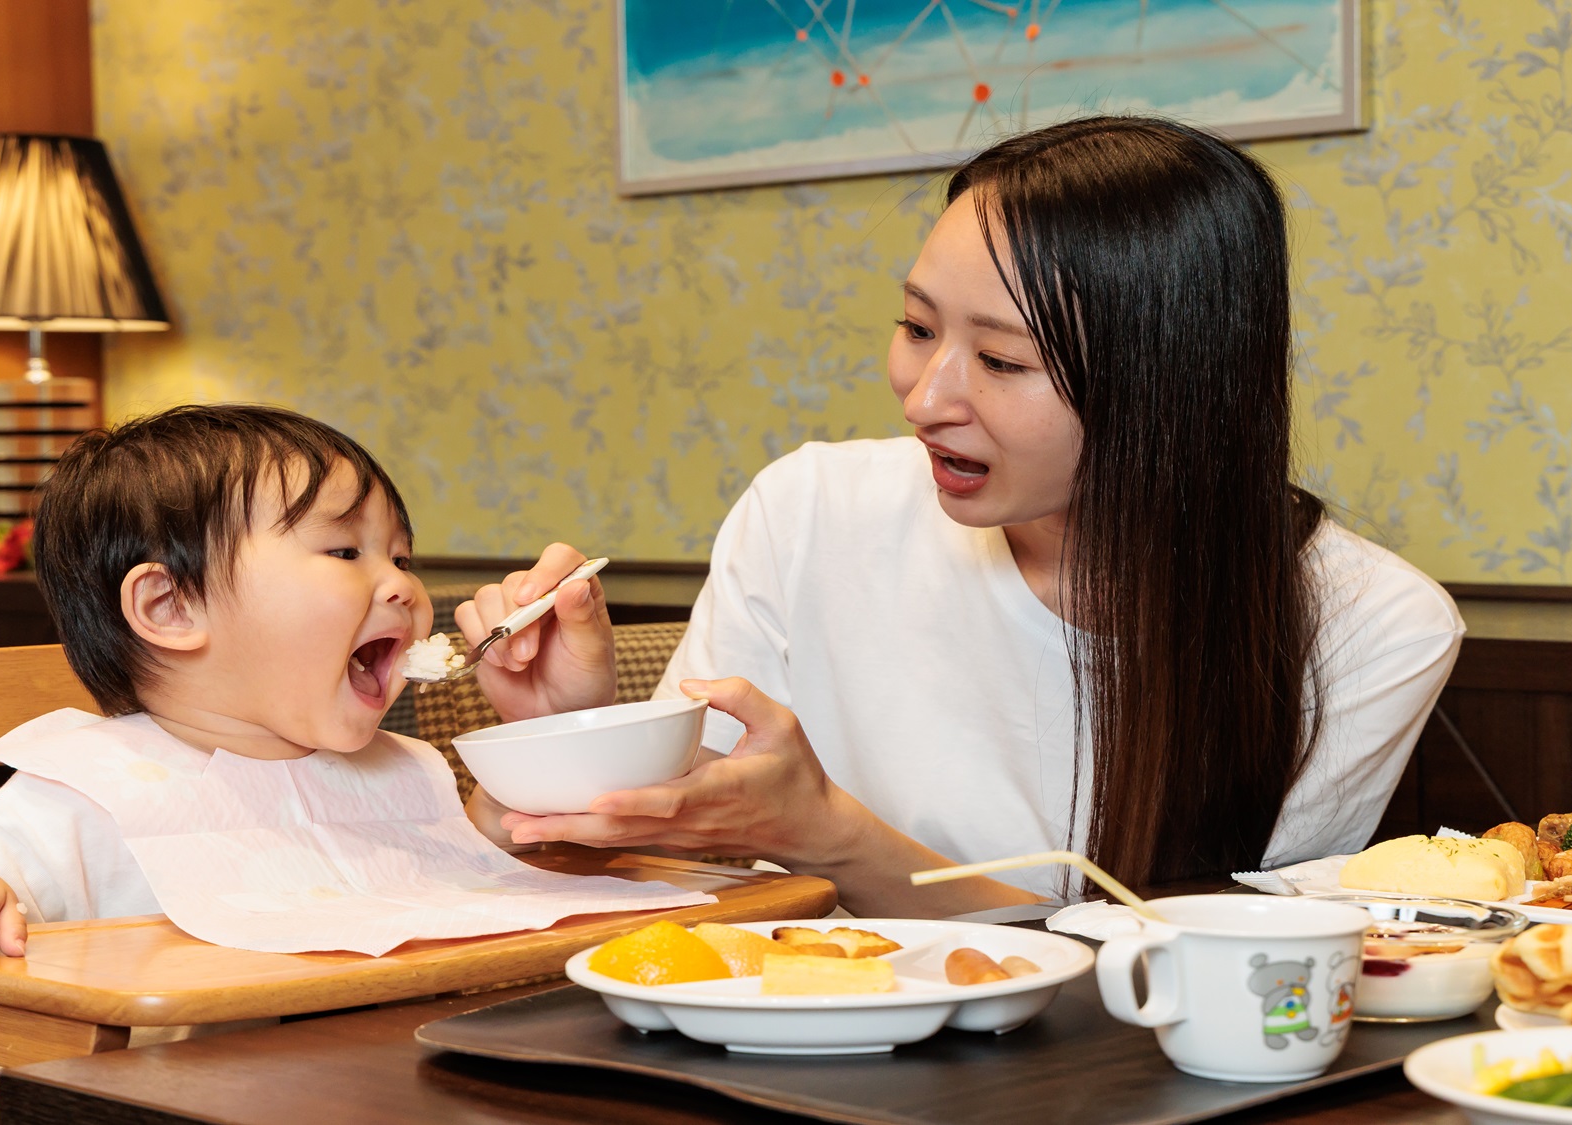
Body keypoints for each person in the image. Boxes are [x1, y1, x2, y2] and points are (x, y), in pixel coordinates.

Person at [459, 116, 1465, 916]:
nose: (922, 395)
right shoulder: (812, 509)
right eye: (913, 326)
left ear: (1175, 388)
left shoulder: (1372, 626)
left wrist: (833, 836)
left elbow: (1196, 970)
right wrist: (576, 743)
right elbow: (659, 876)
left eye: (999, 361)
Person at [0, 404, 433, 999]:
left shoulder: (399, 771)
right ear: (171, 607)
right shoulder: (91, 794)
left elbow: (470, 883)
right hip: (140, 1088)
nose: (402, 585)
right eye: (345, 552)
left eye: (400, 558)